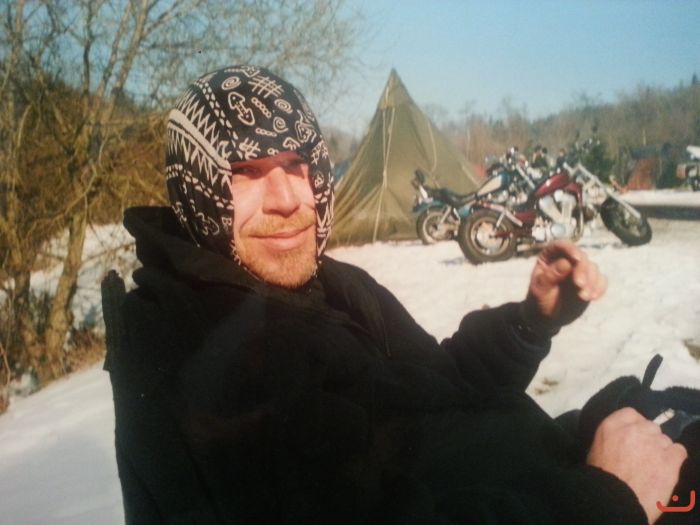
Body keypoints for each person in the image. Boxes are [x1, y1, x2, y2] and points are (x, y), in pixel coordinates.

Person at [108, 66, 689, 524]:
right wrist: (604, 498)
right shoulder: (203, 355)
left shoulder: (328, 284)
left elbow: (437, 383)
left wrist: (529, 323)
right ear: (197, 187)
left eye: (296, 164)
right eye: (246, 171)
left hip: (543, 476)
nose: (287, 199)